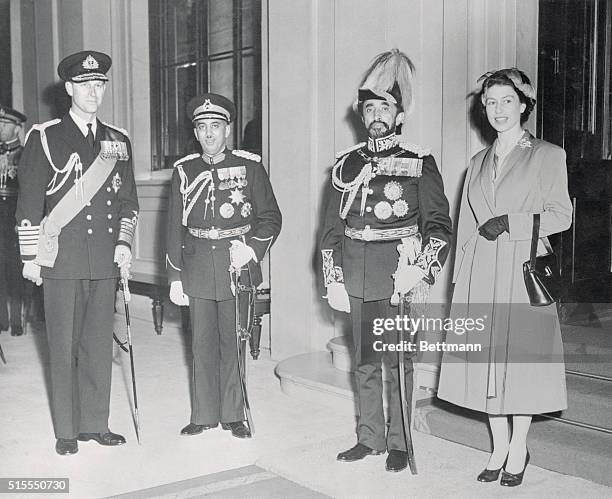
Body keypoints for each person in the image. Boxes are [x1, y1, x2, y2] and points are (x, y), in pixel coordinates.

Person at [437, 68, 572, 487]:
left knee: (521, 365)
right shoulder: (476, 162)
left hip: (521, 272)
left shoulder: (547, 154)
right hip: (480, 273)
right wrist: (459, 283)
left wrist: (509, 223)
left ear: (524, 104)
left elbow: (561, 216)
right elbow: (463, 228)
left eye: (506, 101)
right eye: (490, 102)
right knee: (486, 365)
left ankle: (519, 447)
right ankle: (497, 445)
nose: (498, 110)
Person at [320, 49, 452, 472]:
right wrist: (333, 279)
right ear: (362, 114)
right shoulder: (345, 165)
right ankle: (370, 438)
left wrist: (421, 269)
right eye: (370, 107)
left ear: (399, 115)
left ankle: (400, 441)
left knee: (399, 363)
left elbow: (438, 225)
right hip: (356, 273)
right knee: (364, 360)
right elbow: (330, 231)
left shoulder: (418, 161)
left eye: (385, 107)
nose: (376, 114)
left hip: (399, 274)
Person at [16, 50, 139, 455]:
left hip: (104, 258)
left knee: (98, 344)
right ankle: (67, 430)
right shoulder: (45, 136)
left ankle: (95, 424)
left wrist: (123, 243)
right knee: (63, 345)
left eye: (99, 84)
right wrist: (31, 257)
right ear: (69, 88)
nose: (93, 91)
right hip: (61, 259)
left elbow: (129, 203)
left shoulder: (117, 140)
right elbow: (30, 202)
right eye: (85, 84)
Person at [166, 93, 281, 439]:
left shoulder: (250, 167)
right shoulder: (184, 171)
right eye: (202, 128)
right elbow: (174, 227)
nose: (209, 134)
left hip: (237, 265)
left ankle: (233, 414)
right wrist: (174, 276)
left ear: (228, 129)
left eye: (216, 126)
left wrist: (251, 250)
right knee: (200, 343)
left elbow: (271, 218)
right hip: (197, 265)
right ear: (196, 132)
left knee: (233, 341)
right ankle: (203, 414)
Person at [0, 105, 27, 336]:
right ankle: (2, 319)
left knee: (15, 268)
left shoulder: (25, 154)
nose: (0, 128)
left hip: (15, 214)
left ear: (18, 128)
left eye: (5, 124)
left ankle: (17, 320)